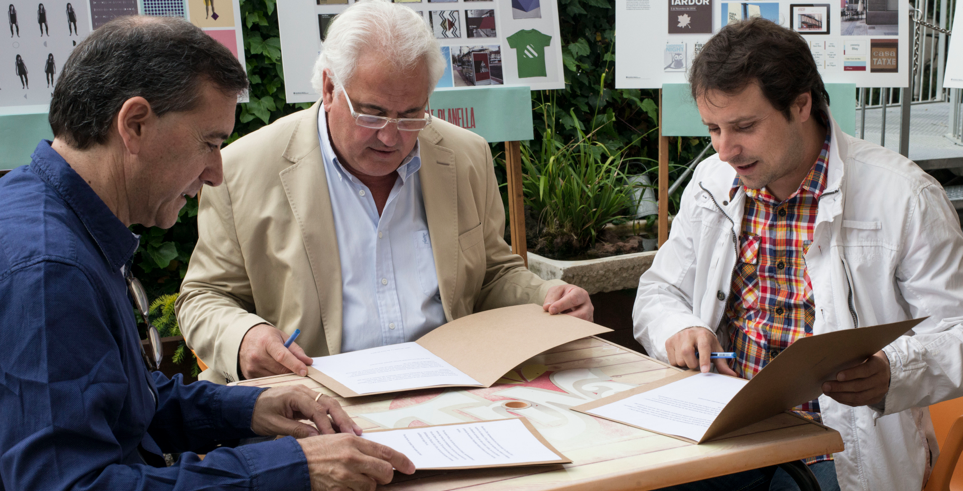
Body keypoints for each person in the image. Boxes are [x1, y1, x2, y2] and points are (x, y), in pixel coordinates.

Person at [0, 16, 414, 490]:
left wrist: (248, 407)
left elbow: (115, 402)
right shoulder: (49, 271)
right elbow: (71, 484)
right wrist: (295, 468)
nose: (216, 173)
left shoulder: (51, 221)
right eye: (210, 143)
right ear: (134, 124)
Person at [175, 0, 593, 384]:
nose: (392, 137)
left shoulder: (466, 155)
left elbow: (492, 274)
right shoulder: (243, 169)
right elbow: (203, 297)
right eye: (372, 114)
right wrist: (244, 336)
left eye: (412, 115)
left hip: (452, 389)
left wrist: (546, 298)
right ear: (328, 88)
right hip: (311, 399)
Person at [633, 18, 963, 491]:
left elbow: (956, 331)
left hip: (837, 449)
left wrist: (893, 370)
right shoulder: (711, 182)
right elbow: (659, 291)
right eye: (713, 128)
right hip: (723, 434)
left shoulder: (905, 195)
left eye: (744, 126)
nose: (725, 149)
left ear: (802, 104)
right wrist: (679, 328)